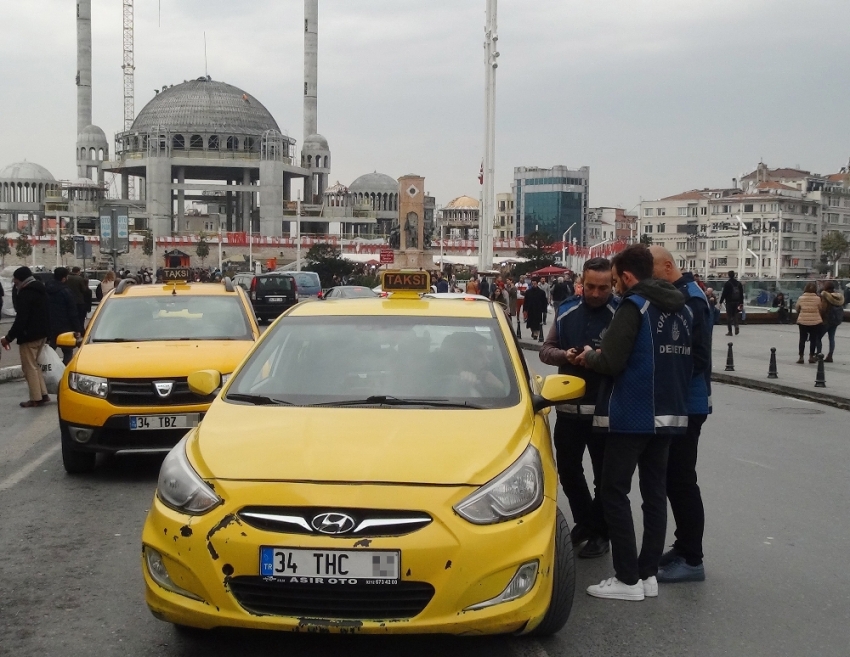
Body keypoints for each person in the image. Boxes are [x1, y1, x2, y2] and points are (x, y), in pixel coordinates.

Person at [571, 244, 692, 601]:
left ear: (625, 277)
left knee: (613, 490)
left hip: (634, 413)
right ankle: (647, 574)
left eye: (614, 281)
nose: (615, 287)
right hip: (670, 412)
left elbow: (611, 360)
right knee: (654, 494)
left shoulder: (633, 306)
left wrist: (590, 355)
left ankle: (626, 579)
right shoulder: (681, 309)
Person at [539, 258, 617, 559]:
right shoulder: (567, 309)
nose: (596, 294)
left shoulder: (620, 311)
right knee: (569, 472)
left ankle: (600, 533)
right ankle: (585, 522)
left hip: (603, 409)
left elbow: (626, 358)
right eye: (591, 287)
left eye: (604, 288)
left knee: (604, 478)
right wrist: (565, 355)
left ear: (612, 285)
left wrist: (598, 357)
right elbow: (546, 351)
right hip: (569, 410)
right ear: (580, 283)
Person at [650, 247, 712, 583]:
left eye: (651, 270)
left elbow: (697, 357)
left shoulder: (691, 299)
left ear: (668, 266)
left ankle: (692, 557)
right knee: (674, 478)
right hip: (679, 401)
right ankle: (683, 544)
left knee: (682, 479)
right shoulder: (681, 294)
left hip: (689, 403)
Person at [1, 267, 51, 407]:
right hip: (42, 334)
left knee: (29, 367)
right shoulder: (41, 291)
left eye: (15, 279)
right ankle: (43, 394)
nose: (14, 282)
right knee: (35, 366)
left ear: (20, 278)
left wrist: (9, 337)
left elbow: (21, 319)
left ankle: (35, 398)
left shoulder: (25, 294)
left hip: (29, 336)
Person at [46, 267, 83, 365]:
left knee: (50, 350)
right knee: (67, 351)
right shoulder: (66, 292)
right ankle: (64, 371)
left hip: (50, 325)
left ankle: (50, 368)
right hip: (65, 326)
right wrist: (77, 329)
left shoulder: (46, 289)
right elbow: (72, 312)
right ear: (64, 278)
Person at [795, 283, 825, 364]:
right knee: (813, 339)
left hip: (803, 321)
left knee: (802, 339)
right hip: (815, 321)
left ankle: (801, 357)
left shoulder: (801, 298)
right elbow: (820, 308)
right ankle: (811, 357)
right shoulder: (818, 298)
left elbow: (797, 308)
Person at [821, 281, 844, 362]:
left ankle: (818, 355)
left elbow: (823, 308)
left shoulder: (825, 296)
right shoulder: (839, 297)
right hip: (836, 320)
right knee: (831, 338)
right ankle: (830, 355)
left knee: (818, 337)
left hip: (827, 319)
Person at [719, 270, 744, 336]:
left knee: (729, 316)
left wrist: (720, 302)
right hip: (737, 301)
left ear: (728, 275)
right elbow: (741, 294)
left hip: (729, 302)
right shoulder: (739, 283)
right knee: (735, 314)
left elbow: (724, 293)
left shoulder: (727, 283)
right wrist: (741, 302)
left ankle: (730, 331)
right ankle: (736, 326)